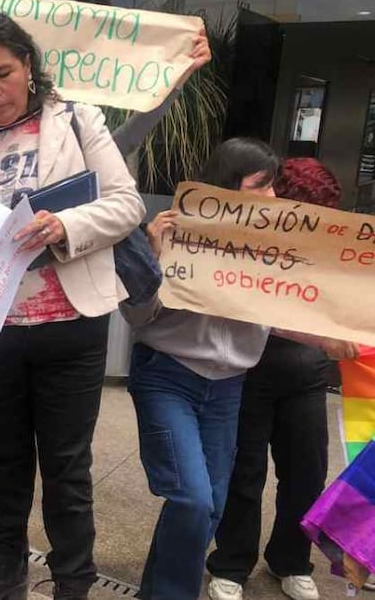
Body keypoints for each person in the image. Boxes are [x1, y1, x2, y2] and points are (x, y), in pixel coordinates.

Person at [0, 11, 212, 564]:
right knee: (3, 462)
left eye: (3, 73)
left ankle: (71, 583)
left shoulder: (79, 123)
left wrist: (66, 226)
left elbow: (125, 205)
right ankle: (3, 574)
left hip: (70, 331)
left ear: (27, 65)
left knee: (66, 469)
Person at [123, 140, 357, 600]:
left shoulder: (271, 247)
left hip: (227, 388)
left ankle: (163, 590)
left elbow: (276, 316)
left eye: (273, 186)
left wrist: (327, 338)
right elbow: (137, 316)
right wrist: (152, 260)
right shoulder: (175, 229)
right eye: (260, 186)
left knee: (208, 507)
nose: (272, 197)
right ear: (226, 188)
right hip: (169, 376)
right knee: (192, 497)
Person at [205, 158, 350, 600]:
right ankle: (231, 563)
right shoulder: (247, 241)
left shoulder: (330, 247)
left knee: (307, 472)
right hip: (248, 369)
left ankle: (291, 560)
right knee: (243, 473)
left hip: (307, 375)